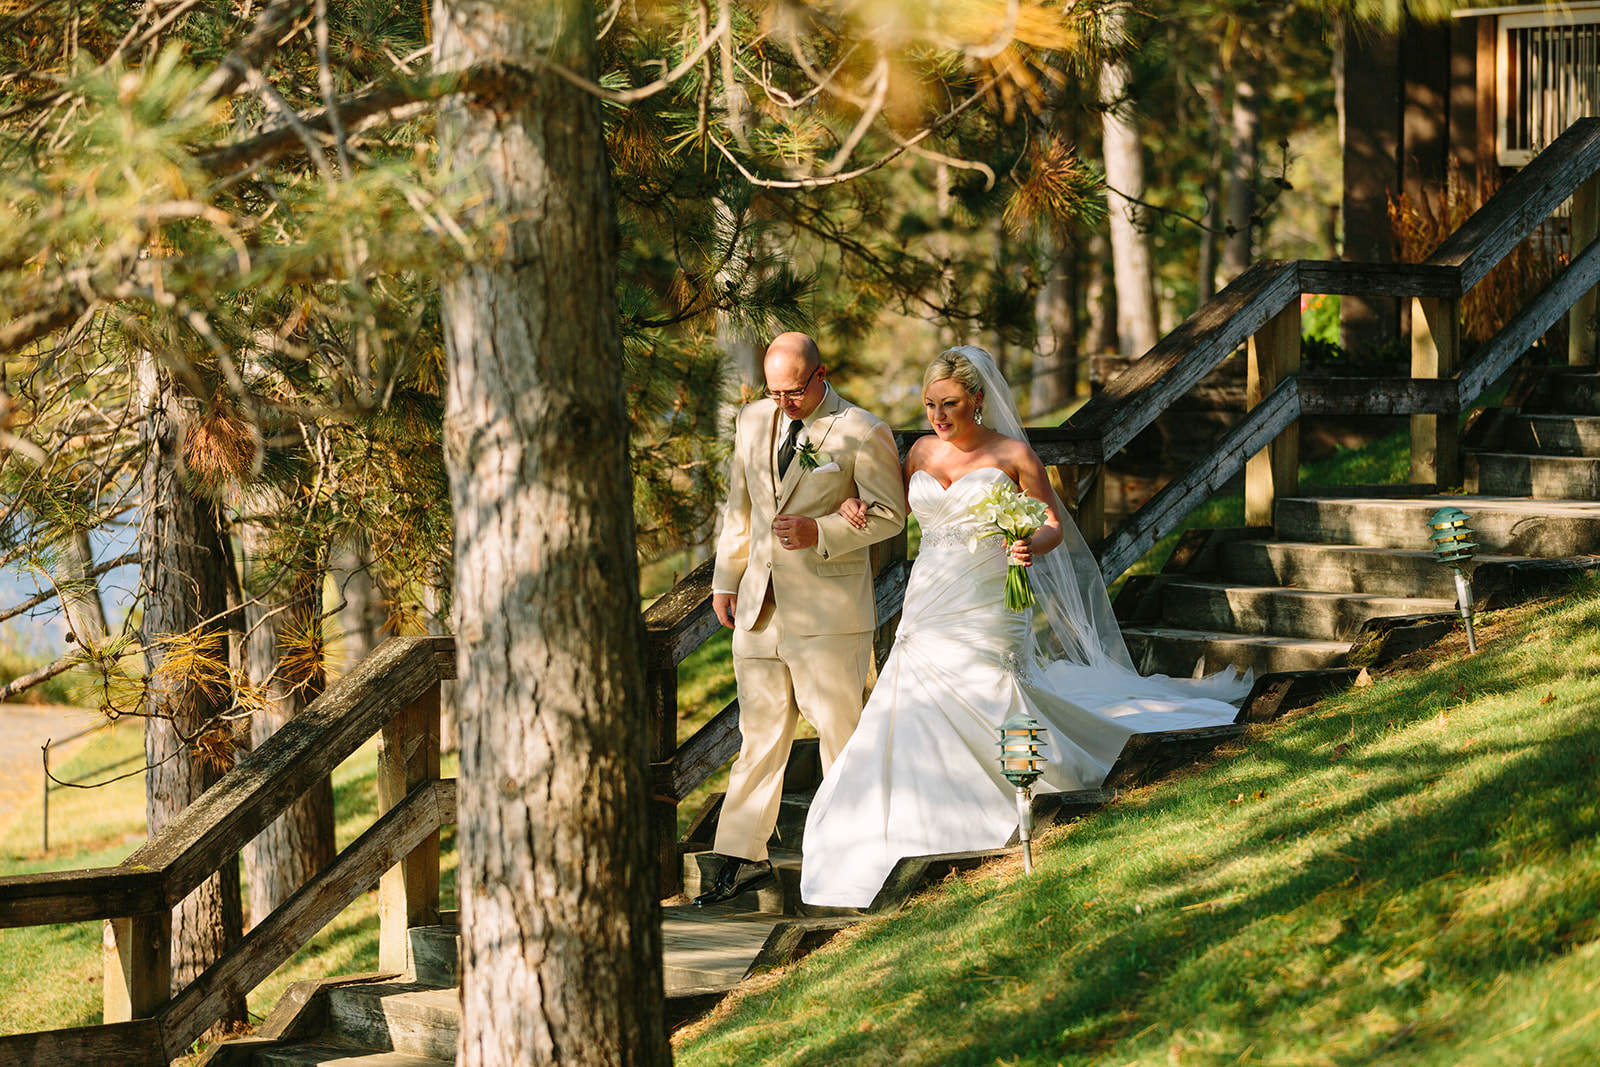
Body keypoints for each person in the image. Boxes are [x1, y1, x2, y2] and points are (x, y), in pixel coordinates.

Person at [800, 346, 1250, 909]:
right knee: (911, 693)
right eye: (930, 404)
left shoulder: (1012, 454)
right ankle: (910, 815)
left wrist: (1028, 543)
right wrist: (849, 509)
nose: (939, 417)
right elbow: (882, 505)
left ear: (979, 400)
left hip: (992, 593)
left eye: (951, 404)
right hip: (931, 596)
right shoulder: (916, 452)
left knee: (991, 687)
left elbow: (1054, 525)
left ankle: (1016, 795)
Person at [694, 332, 907, 907]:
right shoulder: (752, 420)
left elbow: (891, 514)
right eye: (773, 390)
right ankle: (740, 857)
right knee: (758, 734)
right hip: (758, 606)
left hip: (829, 611)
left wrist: (823, 531)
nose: (782, 401)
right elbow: (741, 507)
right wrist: (725, 578)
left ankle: (857, 850)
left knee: (840, 731)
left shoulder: (863, 430)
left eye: (793, 391)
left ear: (820, 375)